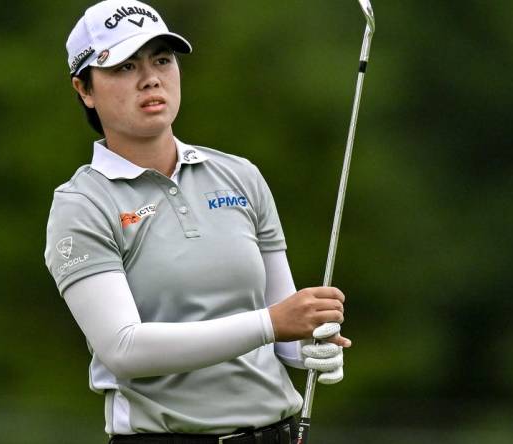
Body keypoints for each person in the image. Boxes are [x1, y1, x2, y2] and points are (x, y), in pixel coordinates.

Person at [44, 1, 351, 442]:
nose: (150, 77)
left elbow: (283, 329)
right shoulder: (82, 204)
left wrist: (311, 345)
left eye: (162, 60)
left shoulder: (239, 175)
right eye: (125, 66)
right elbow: (125, 349)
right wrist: (273, 323)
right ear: (85, 89)